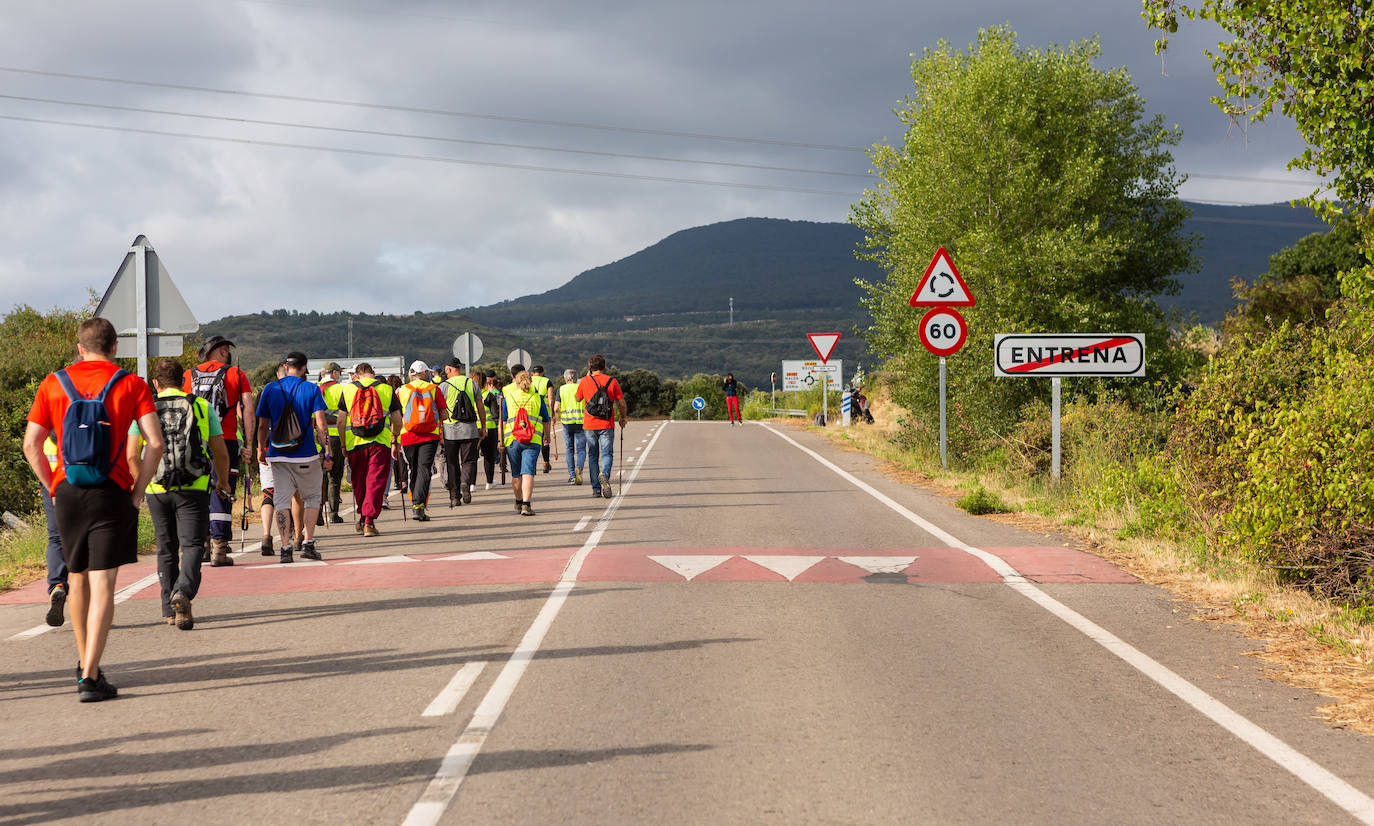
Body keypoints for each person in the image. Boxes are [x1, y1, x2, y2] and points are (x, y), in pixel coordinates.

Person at [22, 317, 163, 702]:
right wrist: (137, 492)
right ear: (115, 347)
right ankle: (89, 675)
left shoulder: (54, 382)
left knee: (77, 577)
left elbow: (31, 444)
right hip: (111, 491)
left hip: (66, 490)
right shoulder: (131, 384)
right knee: (104, 582)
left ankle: (87, 664)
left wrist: (52, 484)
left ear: (80, 348)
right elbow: (155, 442)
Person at [129, 358, 230, 630]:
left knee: (166, 547)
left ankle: (169, 609)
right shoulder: (201, 406)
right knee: (194, 545)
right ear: (183, 381)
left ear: (155, 383)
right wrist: (222, 481)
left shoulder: (145, 408)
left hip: (157, 488)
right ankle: (183, 592)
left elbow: (131, 455)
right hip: (194, 486)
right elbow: (219, 450)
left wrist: (143, 485)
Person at [184, 335, 255, 567]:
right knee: (222, 491)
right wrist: (249, 444)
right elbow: (248, 410)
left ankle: (202, 547)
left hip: (195, 442)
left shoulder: (188, 375)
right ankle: (219, 550)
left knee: (199, 494)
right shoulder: (235, 374)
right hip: (225, 440)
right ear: (223, 351)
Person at [255, 351, 332, 560]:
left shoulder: (270, 389)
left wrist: (261, 448)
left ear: (286, 367)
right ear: (304, 367)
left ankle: (285, 549)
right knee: (312, 497)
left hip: (278, 455)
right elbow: (321, 425)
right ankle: (307, 544)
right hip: (306, 454)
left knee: (281, 501)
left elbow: (262, 424)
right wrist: (327, 451)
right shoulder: (312, 389)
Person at [336, 362, 401, 536]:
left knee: (359, 482)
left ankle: (363, 517)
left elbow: (341, 421)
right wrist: (395, 438)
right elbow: (398, 420)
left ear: (357, 375)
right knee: (375, 482)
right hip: (380, 443)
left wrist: (343, 444)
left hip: (354, 444)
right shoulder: (387, 390)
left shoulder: (348, 390)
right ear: (373, 373)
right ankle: (368, 521)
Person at [575, 354, 627, 500]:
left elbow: (578, 398)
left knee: (592, 455)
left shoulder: (585, 381)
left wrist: (586, 378)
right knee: (607, 453)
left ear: (590, 367)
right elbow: (621, 403)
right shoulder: (612, 381)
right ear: (604, 366)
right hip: (606, 424)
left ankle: (596, 489)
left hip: (589, 425)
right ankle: (604, 474)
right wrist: (623, 418)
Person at [436, 358, 486, 506]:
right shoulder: (471, 383)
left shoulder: (443, 386)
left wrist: (440, 432)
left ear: (449, 369)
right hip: (469, 429)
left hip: (450, 430)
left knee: (452, 463)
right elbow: (480, 406)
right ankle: (465, 482)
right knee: (469, 460)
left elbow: (440, 410)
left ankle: (455, 496)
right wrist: (483, 426)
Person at [500, 369, 550, 516]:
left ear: (515, 381)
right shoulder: (538, 398)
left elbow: (502, 422)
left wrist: (500, 441)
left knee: (516, 474)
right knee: (528, 472)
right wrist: (546, 437)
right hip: (532, 439)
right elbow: (546, 420)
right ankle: (526, 505)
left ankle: (518, 501)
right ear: (530, 382)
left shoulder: (508, 397)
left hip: (512, 440)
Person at [397, 360, 442, 521]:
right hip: (430, 436)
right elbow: (444, 414)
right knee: (424, 469)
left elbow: (396, 416)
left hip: (407, 435)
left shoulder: (401, 390)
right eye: (427, 372)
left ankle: (415, 503)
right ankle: (418, 506)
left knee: (413, 469)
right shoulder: (434, 389)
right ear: (423, 373)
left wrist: (393, 439)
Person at [39, 437, 68, 627]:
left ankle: (57, 584)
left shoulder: (48, 411)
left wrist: (50, 489)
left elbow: (31, 446)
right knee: (88, 540)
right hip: (84, 479)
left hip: (51, 481)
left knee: (56, 539)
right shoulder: (86, 408)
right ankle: (92, 607)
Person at [317, 362, 347, 524]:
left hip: (317, 437)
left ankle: (318, 514)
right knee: (335, 476)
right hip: (335, 436)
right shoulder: (341, 389)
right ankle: (333, 513)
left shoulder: (313, 388)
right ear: (334, 373)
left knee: (319, 476)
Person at [553, 368, 587, 485]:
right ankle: (579, 469)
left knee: (569, 449)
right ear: (576, 378)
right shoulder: (581, 387)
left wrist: (557, 418)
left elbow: (556, 408)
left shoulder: (561, 389)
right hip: (581, 422)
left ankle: (572, 476)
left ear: (565, 378)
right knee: (581, 449)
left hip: (567, 423)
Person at [478, 369, 503, 490]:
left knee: (471, 458)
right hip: (490, 427)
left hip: (475, 428)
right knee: (489, 456)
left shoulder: (473, 393)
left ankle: (471, 484)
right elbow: (497, 412)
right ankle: (489, 482)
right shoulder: (491, 393)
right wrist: (496, 393)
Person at [529, 365, 553, 473]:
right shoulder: (547, 381)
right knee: (545, 439)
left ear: (532, 373)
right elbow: (551, 399)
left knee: (532, 438)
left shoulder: (528, 380)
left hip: (532, 412)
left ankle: (531, 465)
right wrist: (552, 414)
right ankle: (545, 463)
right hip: (544, 413)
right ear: (542, 372)